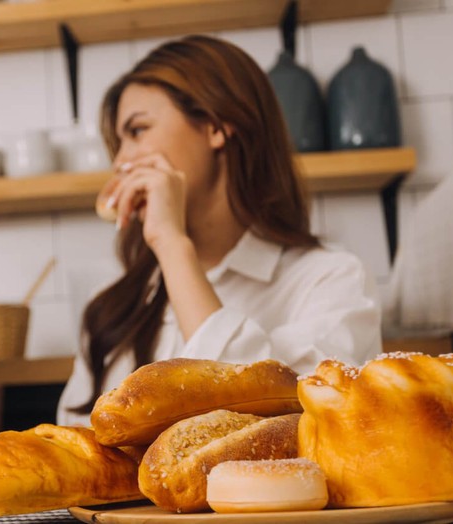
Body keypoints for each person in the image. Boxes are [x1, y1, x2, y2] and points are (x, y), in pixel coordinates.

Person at [57, 36, 381, 427]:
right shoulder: (111, 309)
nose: (121, 161)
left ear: (214, 126)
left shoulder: (331, 282)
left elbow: (286, 423)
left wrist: (172, 245)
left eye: (138, 130)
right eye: (118, 143)